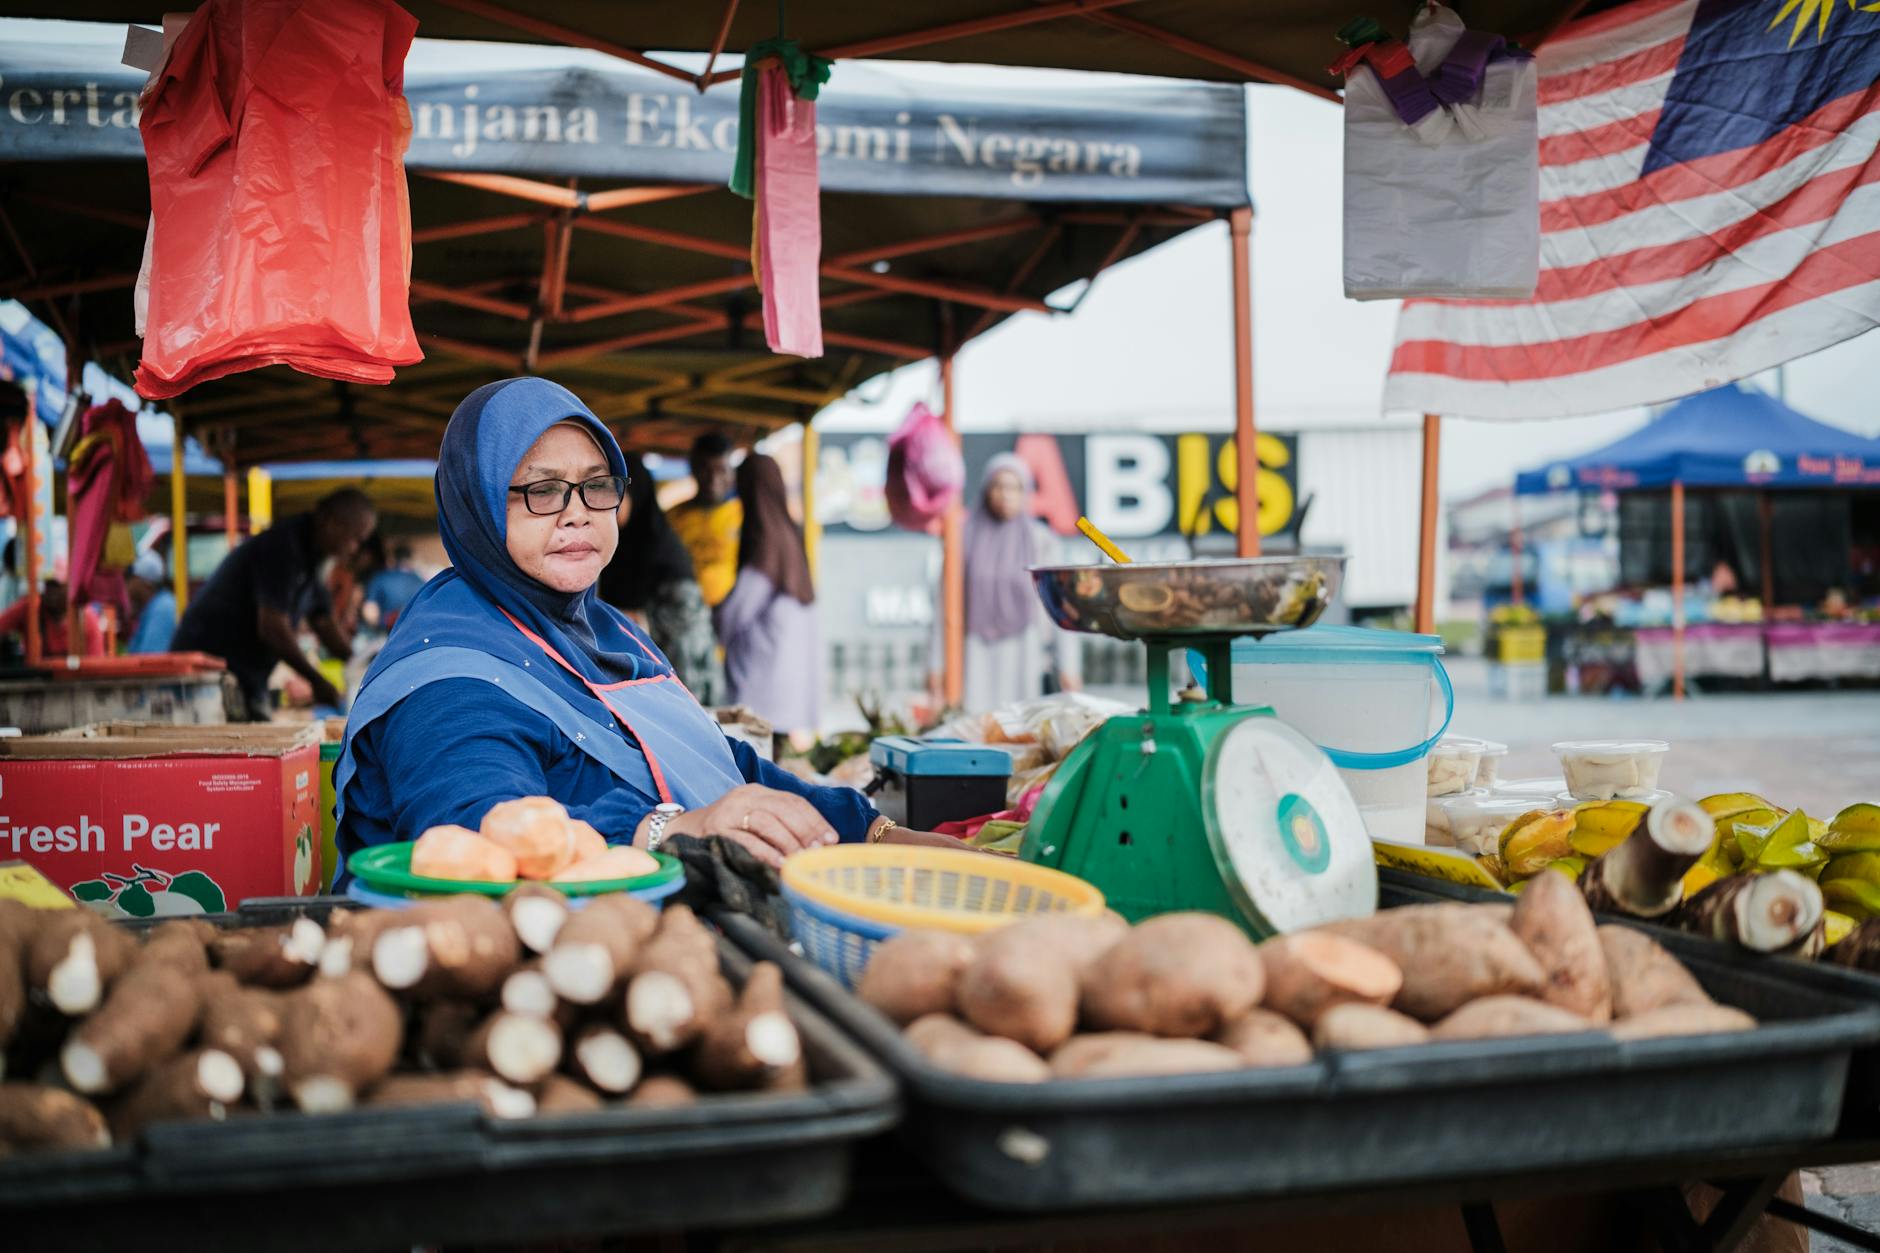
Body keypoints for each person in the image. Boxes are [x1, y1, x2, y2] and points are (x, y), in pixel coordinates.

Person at [334, 377, 959, 888]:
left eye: (596, 485)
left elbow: (724, 766)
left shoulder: (608, 634)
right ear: (476, 503)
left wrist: (878, 833)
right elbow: (480, 833)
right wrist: (675, 829)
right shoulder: (448, 675)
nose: (577, 509)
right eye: (541, 489)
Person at [172, 488, 376, 720]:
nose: (355, 548)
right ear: (330, 521)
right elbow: (272, 628)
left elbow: (323, 621)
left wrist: (363, 664)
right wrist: (316, 680)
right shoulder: (283, 546)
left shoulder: (316, 557)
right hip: (206, 673)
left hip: (243, 676)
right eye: (354, 537)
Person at [933, 454, 1083, 711]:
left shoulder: (1040, 540)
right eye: (998, 486)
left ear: (1026, 493)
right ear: (986, 490)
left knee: (1022, 727)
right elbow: (942, 606)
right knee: (975, 728)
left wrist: (1069, 666)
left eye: (1014, 487)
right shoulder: (962, 538)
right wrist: (935, 666)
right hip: (974, 652)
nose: (1006, 495)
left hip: (1025, 650)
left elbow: (1061, 604)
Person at [598, 452, 724, 704]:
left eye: (615, 495)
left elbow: (687, 631)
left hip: (683, 679)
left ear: (638, 492)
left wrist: (633, 619)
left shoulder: (662, 552)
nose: (607, 504)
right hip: (636, 683)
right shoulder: (612, 546)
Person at [715, 454, 821, 745]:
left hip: (758, 695)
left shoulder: (764, 544)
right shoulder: (790, 537)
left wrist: (710, 615)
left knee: (755, 778)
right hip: (787, 693)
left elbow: (733, 615)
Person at [666, 431, 743, 608]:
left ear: (732, 474)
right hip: (684, 614)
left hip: (733, 614)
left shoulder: (745, 517)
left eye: (721, 470)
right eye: (705, 469)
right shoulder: (671, 519)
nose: (713, 480)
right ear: (693, 469)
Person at [0, 576, 106, 658]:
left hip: (76, 681)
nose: (50, 592)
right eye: (47, 585)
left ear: (70, 586)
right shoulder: (30, 608)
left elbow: (95, 662)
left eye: (56, 586)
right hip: (35, 679)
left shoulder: (86, 618)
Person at [363, 541, 425, 631]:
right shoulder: (421, 581)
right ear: (411, 558)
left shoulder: (381, 578)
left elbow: (370, 613)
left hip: (390, 633)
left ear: (392, 559)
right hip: (416, 633)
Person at [124, 551, 177, 654]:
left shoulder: (163, 609)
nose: (125, 585)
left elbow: (151, 661)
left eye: (129, 578)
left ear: (143, 581)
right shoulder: (152, 607)